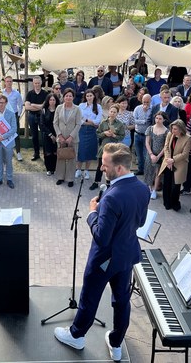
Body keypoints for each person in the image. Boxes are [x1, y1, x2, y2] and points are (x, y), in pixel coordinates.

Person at [54, 143, 150, 362]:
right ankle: (116, 344)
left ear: (119, 169)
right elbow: (141, 221)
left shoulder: (112, 197)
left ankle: (76, 335)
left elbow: (101, 237)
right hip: (127, 256)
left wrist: (92, 214)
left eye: (105, 165)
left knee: (89, 297)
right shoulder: (143, 188)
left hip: (104, 260)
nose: (101, 168)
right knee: (122, 300)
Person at [89, 104, 125, 191]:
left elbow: (122, 136)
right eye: (111, 112)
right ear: (109, 112)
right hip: (104, 147)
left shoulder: (120, 124)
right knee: (100, 165)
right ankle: (96, 181)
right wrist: (104, 133)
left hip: (113, 148)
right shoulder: (103, 122)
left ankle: (108, 183)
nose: (112, 113)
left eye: (114, 112)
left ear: (117, 113)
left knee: (111, 166)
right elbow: (97, 134)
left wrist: (114, 135)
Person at [158, 119, 191, 211]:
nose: (173, 131)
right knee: (167, 183)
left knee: (176, 186)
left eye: (175, 129)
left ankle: (175, 203)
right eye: (172, 128)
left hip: (179, 164)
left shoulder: (187, 138)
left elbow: (185, 154)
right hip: (168, 162)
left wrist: (173, 160)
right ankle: (167, 203)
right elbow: (166, 147)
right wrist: (168, 159)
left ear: (181, 129)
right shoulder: (170, 134)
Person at [54, 88, 82, 187]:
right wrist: (59, 135)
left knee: (71, 158)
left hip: (73, 139)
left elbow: (78, 124)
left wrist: (71, 137)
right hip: (61, 139)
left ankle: (70, 178)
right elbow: (55, 123)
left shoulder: (77, 109)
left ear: (73, 97)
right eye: (66, 96)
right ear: (64, 97)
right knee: (61, 157)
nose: (68, 97)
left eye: (70, 96)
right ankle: (60, 177)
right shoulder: (58, 108)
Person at [0, 94, 17, 189]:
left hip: (8, 142)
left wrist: (3, 137)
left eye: (3, 102)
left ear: (6, 103)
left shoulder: (11, 113)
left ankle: (9, 179)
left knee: (8, 161)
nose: (1, 104)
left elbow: (14, 129)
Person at [76, 89, 103, 181]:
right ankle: (78, 169)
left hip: (93, 131)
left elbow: (98, 121)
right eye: (87, 96)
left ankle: (87, 170)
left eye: (91, 95)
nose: (89, 97)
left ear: (94, 96)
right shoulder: (81, 106)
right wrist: (91, 122)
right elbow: (79, 120)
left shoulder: (98, 107)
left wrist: (86, 120)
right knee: (81, 149)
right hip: (82, 130)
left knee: (90, 150)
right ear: (85, 97)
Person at [144, 112, 168, 200]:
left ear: (164, 120)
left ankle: (154, 190)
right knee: (149, 170)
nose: (158, 120)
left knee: (158, 172)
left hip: (160, 155)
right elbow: (147, 142)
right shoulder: (150, 128)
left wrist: (158, 156)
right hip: (150, 153)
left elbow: (166, 145)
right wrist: (151, 154)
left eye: (160, 119)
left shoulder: (167, 131)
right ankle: (149, 188)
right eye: (156, 118)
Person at [25, 76, 49, 161]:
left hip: (42, 116)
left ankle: (46, 153)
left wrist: (33, 105)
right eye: (35, 83)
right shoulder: (29, 94)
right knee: (34, 136)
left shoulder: (46, 94)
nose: (37, 85)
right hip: (31, 116)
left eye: (38, 83)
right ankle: (36, 153)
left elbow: (44, 106)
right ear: (33, 83)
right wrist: (39, 106)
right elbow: (27, 107)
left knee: (44, 135)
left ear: (41, 83)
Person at [2, 76, 24, 161]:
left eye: (10, 81)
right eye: (7, 81)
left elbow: (20, 105)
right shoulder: (1, 93)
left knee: (16, 133)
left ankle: (18, 152)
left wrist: (18, 114)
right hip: (4, 115)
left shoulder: (16, 93)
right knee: (4, 132)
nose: (9, 83)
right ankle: (5, 151)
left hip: (14, 115)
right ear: (5, 82)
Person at [133, 93, 153, 175]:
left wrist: (144, 118)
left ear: (150, 101)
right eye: (144, 102)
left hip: (147, 136)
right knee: (139, 154)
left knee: (146, 155)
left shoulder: (152, 109)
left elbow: (151, 122)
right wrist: (144, 121)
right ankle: (140, 169)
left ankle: (147, 171)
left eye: (147, 102)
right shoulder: (137, 108)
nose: (145, 104)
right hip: (137, 134)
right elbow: (134, 120)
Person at [40, 93, 59, 176]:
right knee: (48, 152)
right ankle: (48, 169)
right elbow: (42, 124)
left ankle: (54, 169)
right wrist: (50, 135)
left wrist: (57, 134)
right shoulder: (44, 110)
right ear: (48, 100)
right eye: (50, 100)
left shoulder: (59, 109)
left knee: (55, 152)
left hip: (57, 134)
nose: (52, 101)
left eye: (53, 100)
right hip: (47, 134)